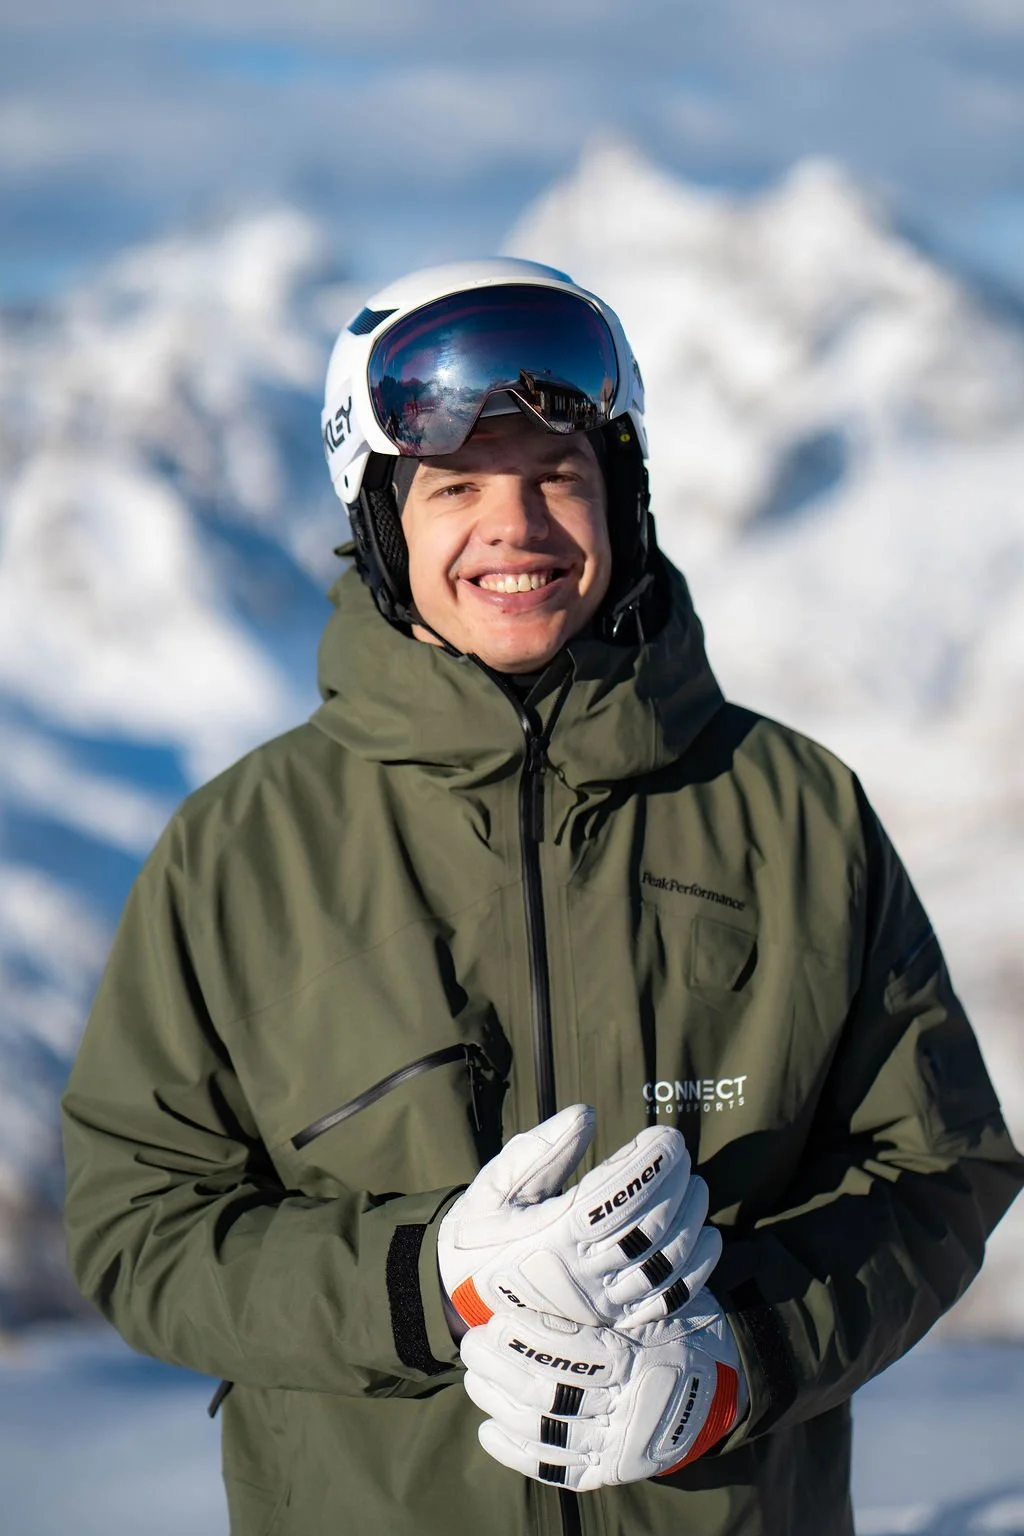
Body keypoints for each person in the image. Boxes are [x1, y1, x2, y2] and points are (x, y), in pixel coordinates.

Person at [62, 258, 1023, 1536]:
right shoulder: (241, 848)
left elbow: (935, 1169)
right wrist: (428, 1280)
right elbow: (144, 1227)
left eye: (557, 478)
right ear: (378, 521)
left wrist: (738, 1365)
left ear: (619, 501)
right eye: (456, 487)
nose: (514, 530)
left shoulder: (790, 808)